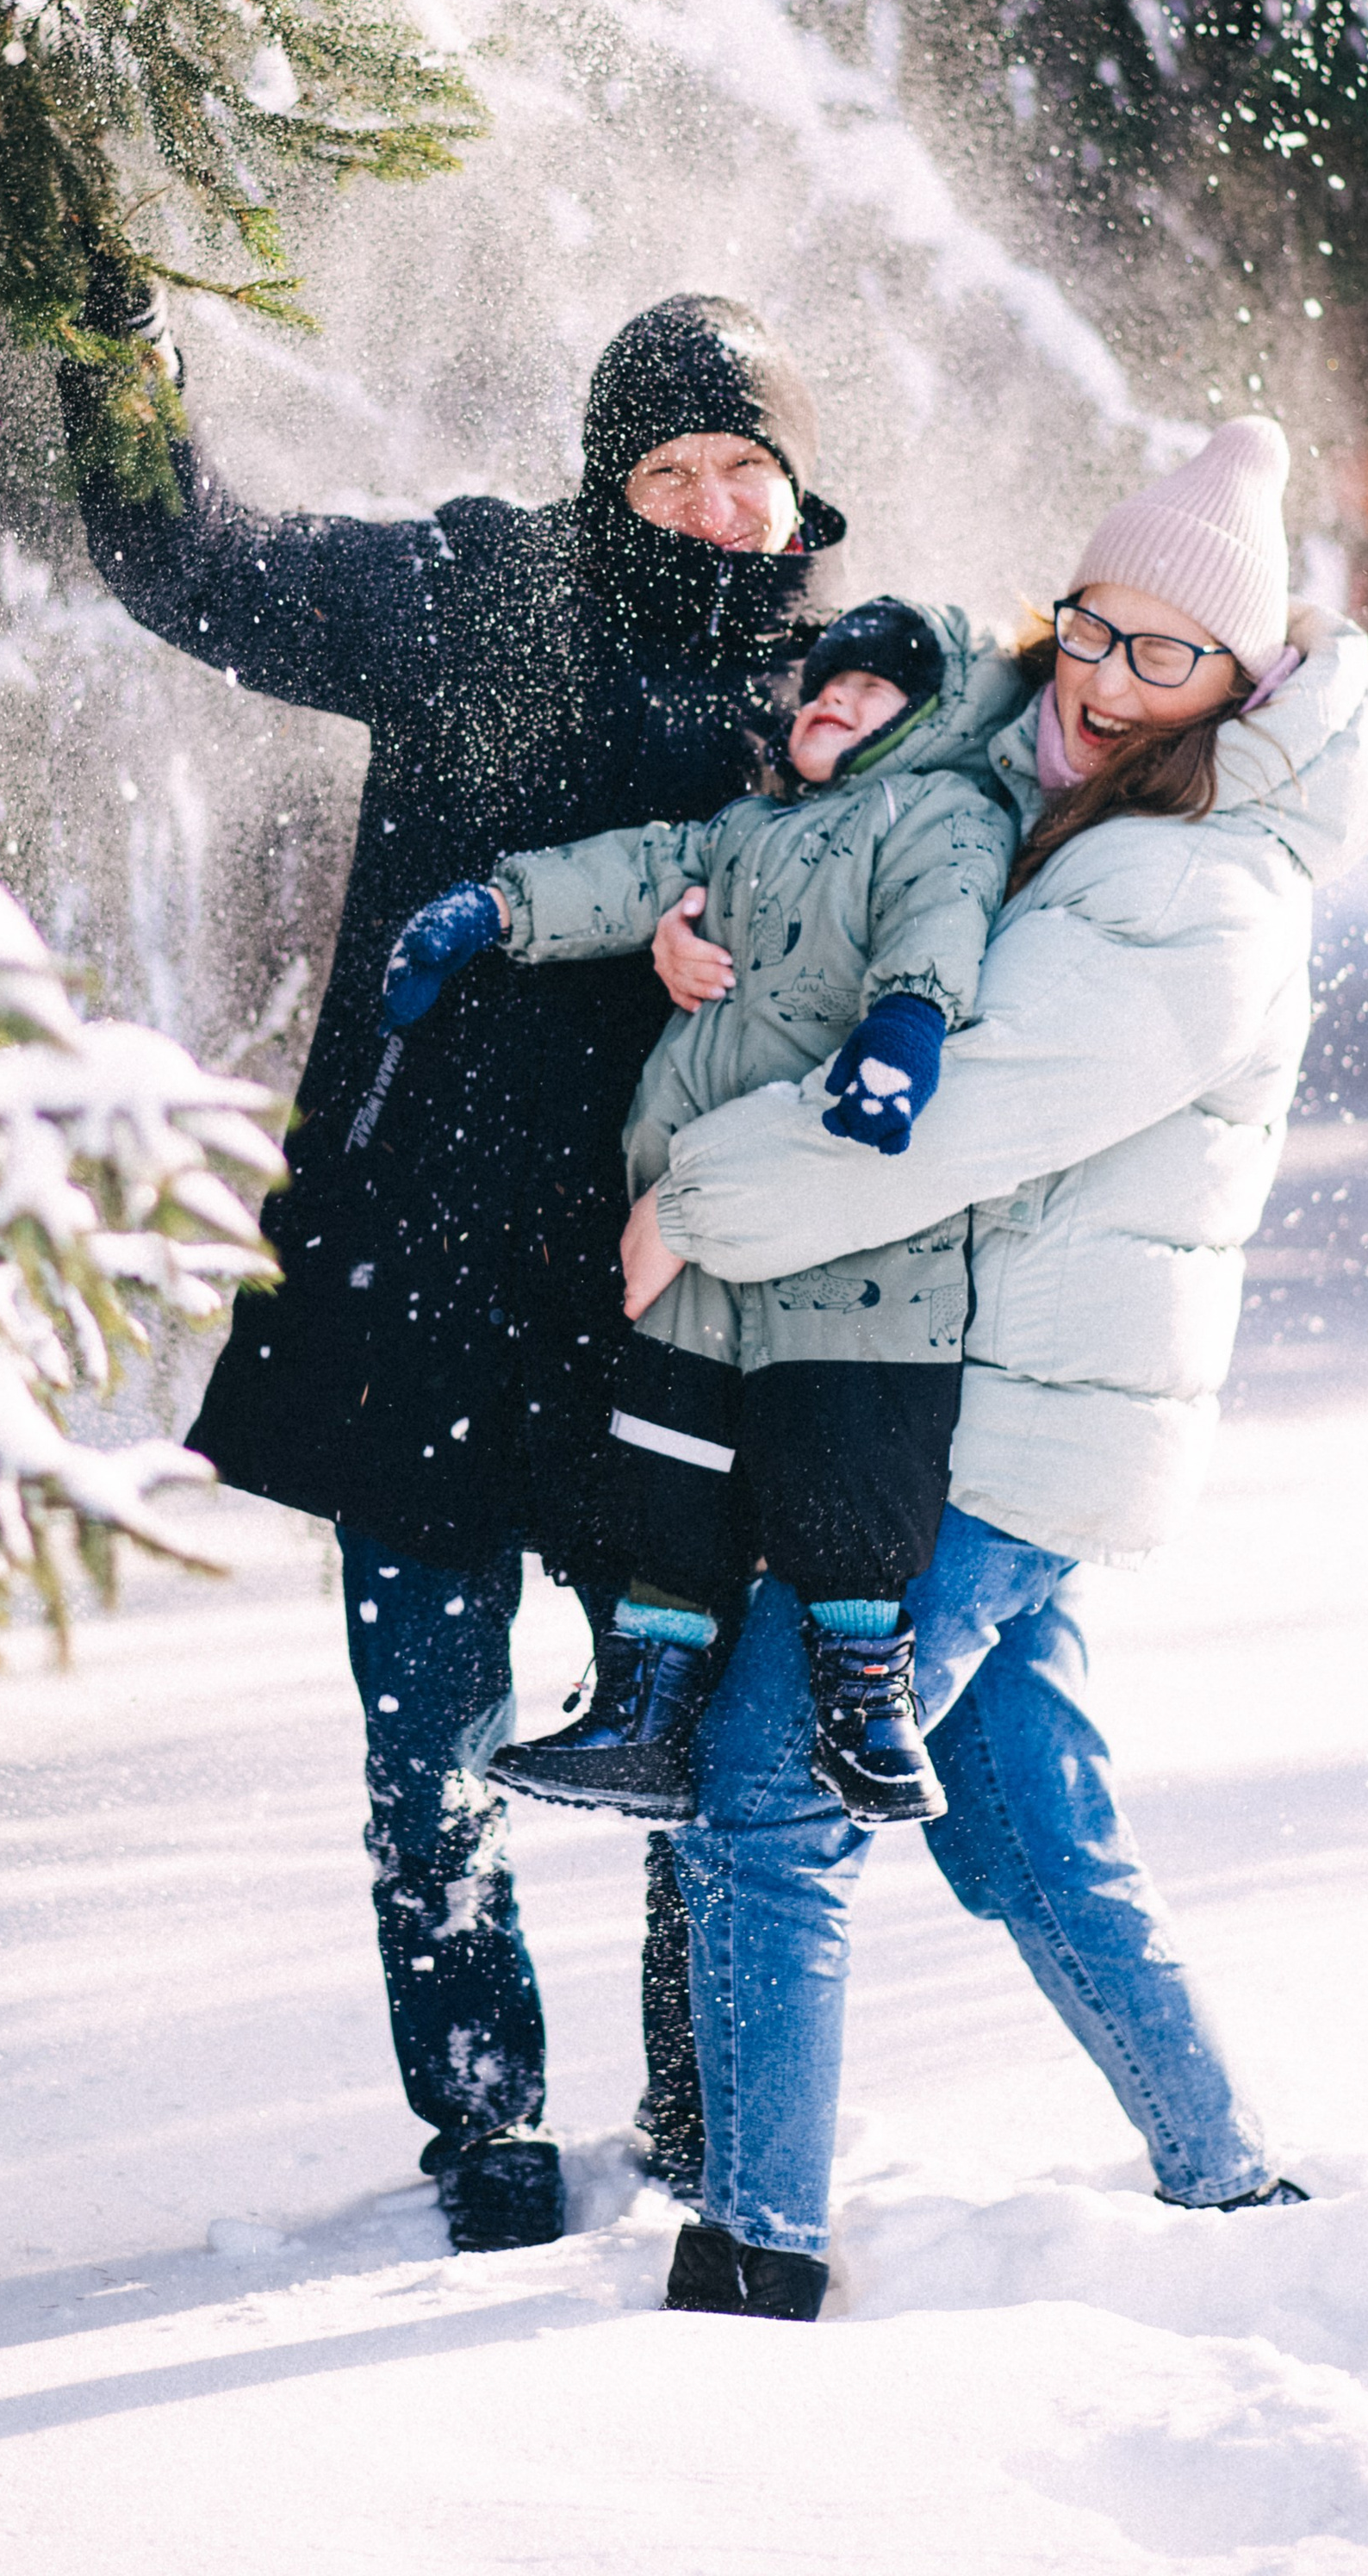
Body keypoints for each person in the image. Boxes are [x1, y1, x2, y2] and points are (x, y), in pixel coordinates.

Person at [59, 282, 847, 2250]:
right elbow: (187, 557)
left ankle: (698, 2112)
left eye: (742, 467)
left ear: (797, 489)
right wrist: (116, 360)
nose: (704, 504)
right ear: (605, 482)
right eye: (662, 467)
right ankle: (485, 2126)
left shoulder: (841, 704)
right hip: (419, 1289)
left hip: (680, 1318)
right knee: (430, 1750)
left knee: (698, 1749)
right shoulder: (470, 596)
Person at [625, 416, 1368, 2322]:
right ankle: (1225, 2178)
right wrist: (690, 929)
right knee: (1031, 1830)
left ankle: (757, 2259)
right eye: (1090, 625)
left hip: (1008, 1426)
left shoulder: (1197, 890)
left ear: (1240, 678)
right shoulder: (1011, 777)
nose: (1108, 675)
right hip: (941, 1392)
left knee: (768, 1800)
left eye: (1165, 652)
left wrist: (690, 1201)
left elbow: (949, 1112)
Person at [376, 596, 1016, 1826]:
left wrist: (905, 1027)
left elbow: (940, 920)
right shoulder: (742, 830)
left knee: (849, 1455)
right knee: (666, 1469)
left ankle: (865, 1706)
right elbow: (626, 869)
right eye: (824, 684)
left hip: (852, 1213)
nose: (834, 699)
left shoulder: (940, 812)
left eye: (877, 690)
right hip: (699, 1232)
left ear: (940, 715)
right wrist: (494, 911)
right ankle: (644, 1715)